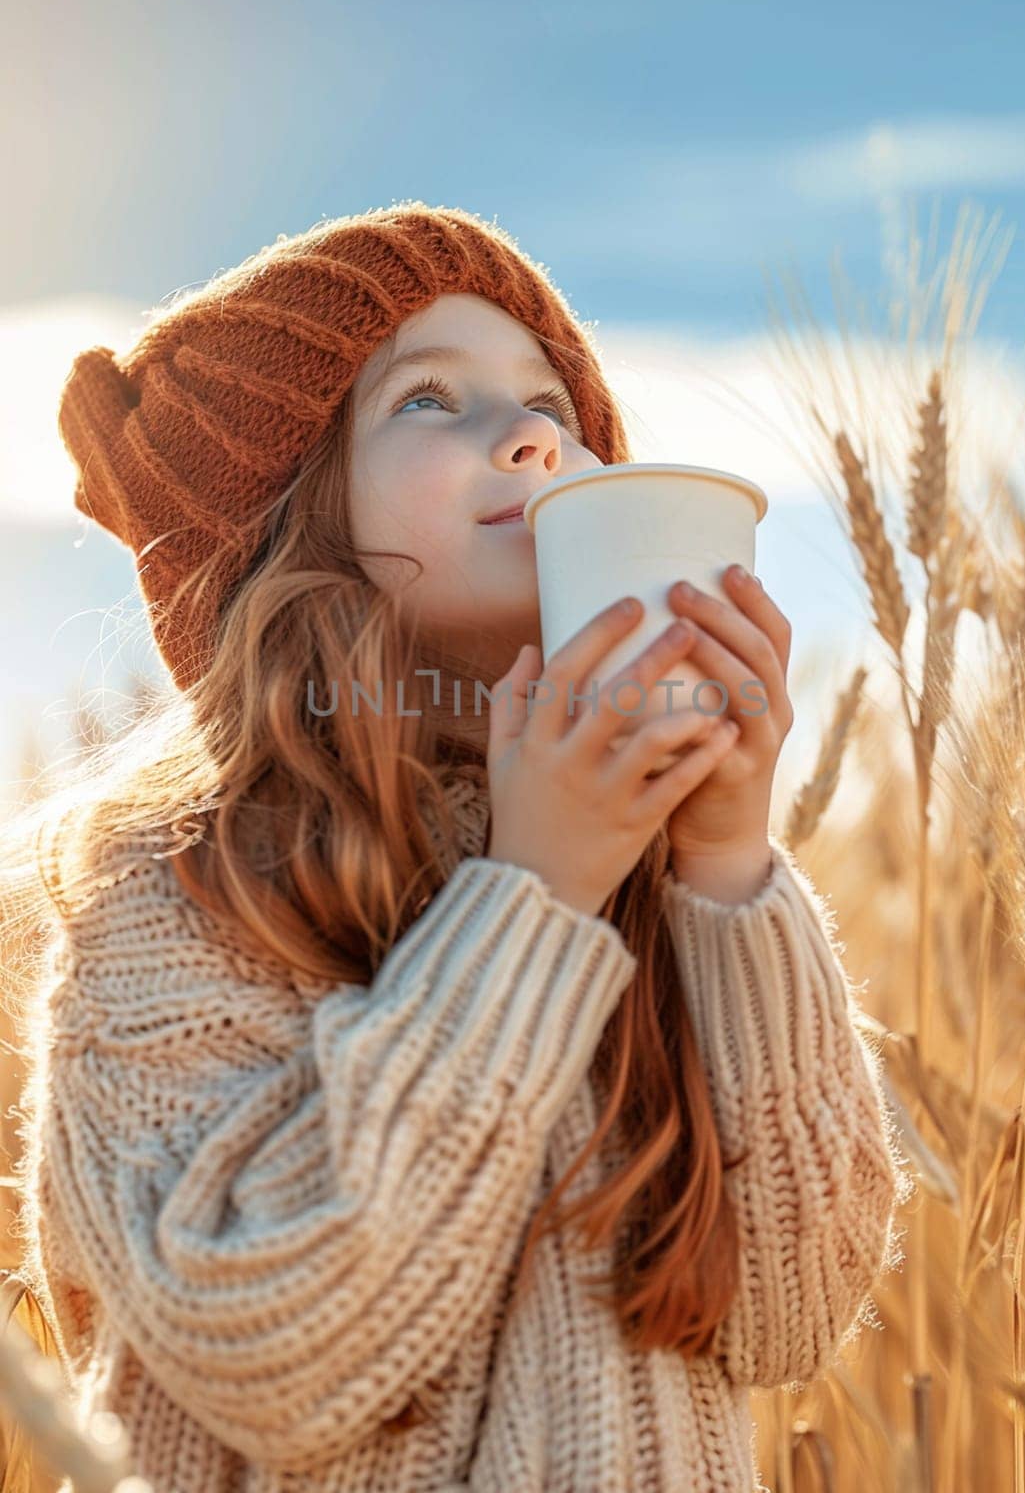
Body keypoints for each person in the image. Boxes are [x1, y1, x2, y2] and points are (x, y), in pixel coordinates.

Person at [3, 202, 911, 1492]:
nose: (536, 436)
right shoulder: (180, 893)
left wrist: (726, 869)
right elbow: (280, 1351)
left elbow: (790, 1314)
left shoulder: (648, 889)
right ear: (288, 517)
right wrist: (536, 898)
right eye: (430, 399)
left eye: (557, 407)